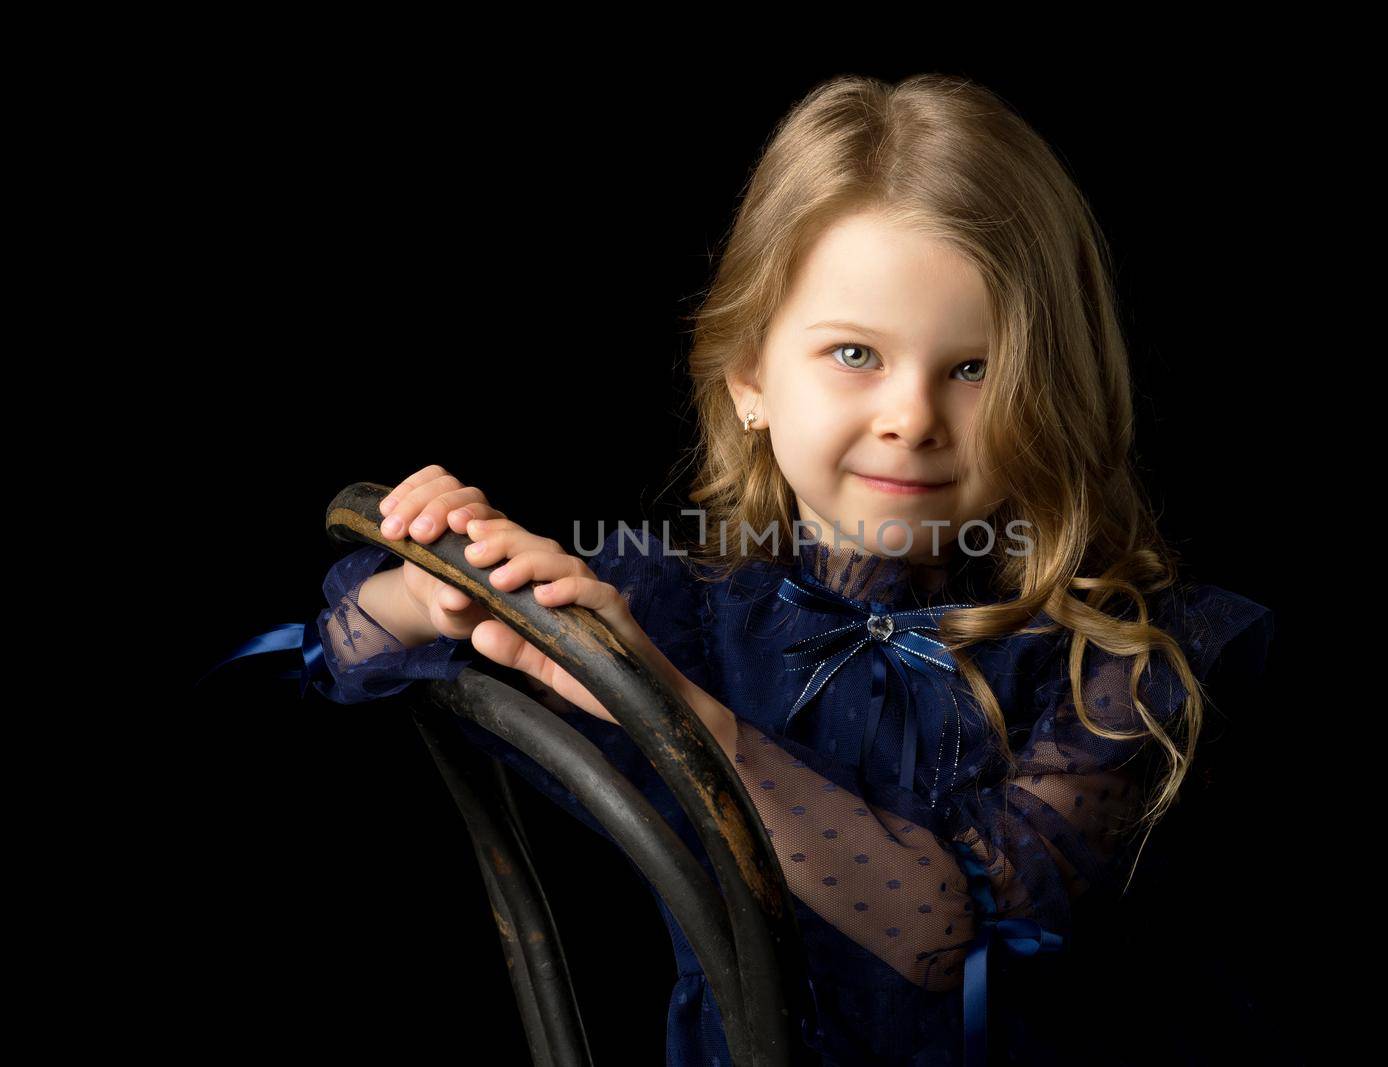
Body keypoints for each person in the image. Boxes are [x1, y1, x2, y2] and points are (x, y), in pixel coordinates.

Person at [233, 73, 1281, 1066]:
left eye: (974, 367)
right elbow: (317, 654)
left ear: (1051, 388)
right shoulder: (669, 607)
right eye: (855, 354)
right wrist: (429, 586)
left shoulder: (1125, 659)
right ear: (750, 379)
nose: (910, 417)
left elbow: (955, 938)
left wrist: (688, 716)